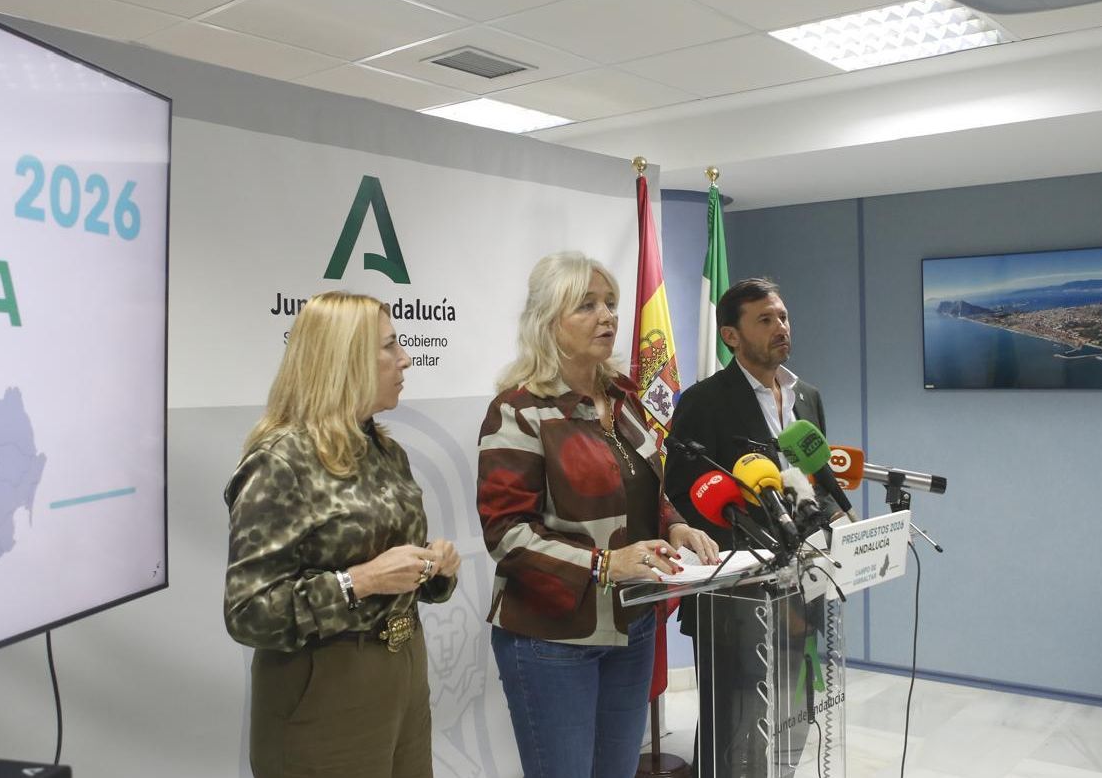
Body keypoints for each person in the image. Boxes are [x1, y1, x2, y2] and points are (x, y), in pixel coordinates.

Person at [477, 251, 720, 778]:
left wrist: (675, 524)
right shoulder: (520, 410)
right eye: (586, 305)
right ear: (548, 321)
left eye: (610, 303)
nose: (608, 316)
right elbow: (506, 534)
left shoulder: (625, 398)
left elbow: (645, 485)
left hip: (631, 626)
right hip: (552, 639)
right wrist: (605, 564)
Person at [224, 290, 460, 778]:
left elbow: (394, 566)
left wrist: (432, 570)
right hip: (324, 686)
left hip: (403, 672)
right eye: (390, 346)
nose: (406, 359)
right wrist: (360, 582)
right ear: (344, 360)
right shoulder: (281, 461)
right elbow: (247, 613)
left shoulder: (385, 450)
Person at [665, 277, 844, 778]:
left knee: (791, 717)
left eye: (782, 317)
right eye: (764, 320)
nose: (780, 327)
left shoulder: (807, 396)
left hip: (801, 592)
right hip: (732, 596)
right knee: (733, 727)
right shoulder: (704, 402)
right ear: (731, 336)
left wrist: (835, 515)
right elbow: (681, 491)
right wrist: (743, 544)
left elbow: (819, 478)